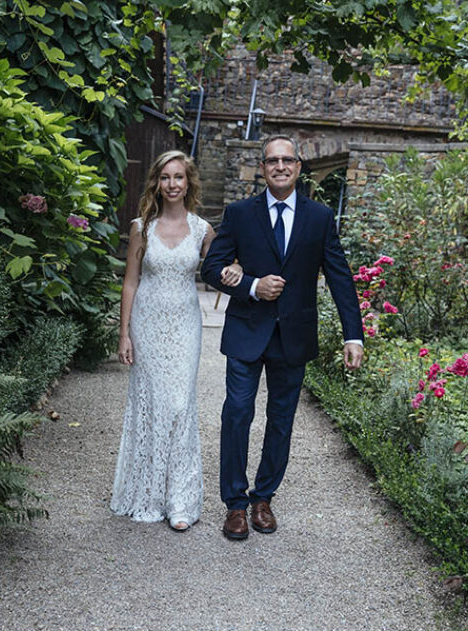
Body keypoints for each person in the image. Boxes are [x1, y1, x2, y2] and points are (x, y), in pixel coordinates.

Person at [201, 135, 364, 541]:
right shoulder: (240, 214)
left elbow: (340, 276)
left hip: (293, 334)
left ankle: (263, 499)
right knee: (237, 413)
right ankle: (235, 504)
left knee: (281, 420)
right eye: (272, 160)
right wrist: (252, 286)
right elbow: (212, 267)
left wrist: (353, 335)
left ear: (298, 166)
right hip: (246, 331)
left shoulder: (320, 217)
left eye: (287, 160)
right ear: (262, 167)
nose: (279, 166)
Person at [110, 150, 242, 532]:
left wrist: (237, 268)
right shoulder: (141, 227)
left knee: (181, 405)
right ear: (157, 182)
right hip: (146, 323)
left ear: (189, 183)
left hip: (185, 325)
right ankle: (148, 494)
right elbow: (131, 282)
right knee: (150, 405)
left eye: (179, 177)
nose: (172, 184)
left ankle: (180, 500)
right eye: (165, 177)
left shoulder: (202, 229)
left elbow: (221, 265)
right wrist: (124, 334)